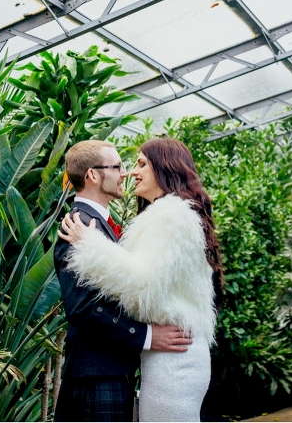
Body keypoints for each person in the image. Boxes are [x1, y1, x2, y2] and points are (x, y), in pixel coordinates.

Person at [58, 137, 223, 422]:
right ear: (93, 175)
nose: (127, 173)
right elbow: (83, 308)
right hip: (96, 373)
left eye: (138, 164)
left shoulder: (166, 216)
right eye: (120, 166)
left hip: (129, 367)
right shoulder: (80, 224)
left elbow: (140, 281)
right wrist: (146, 336)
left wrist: (92, 245)